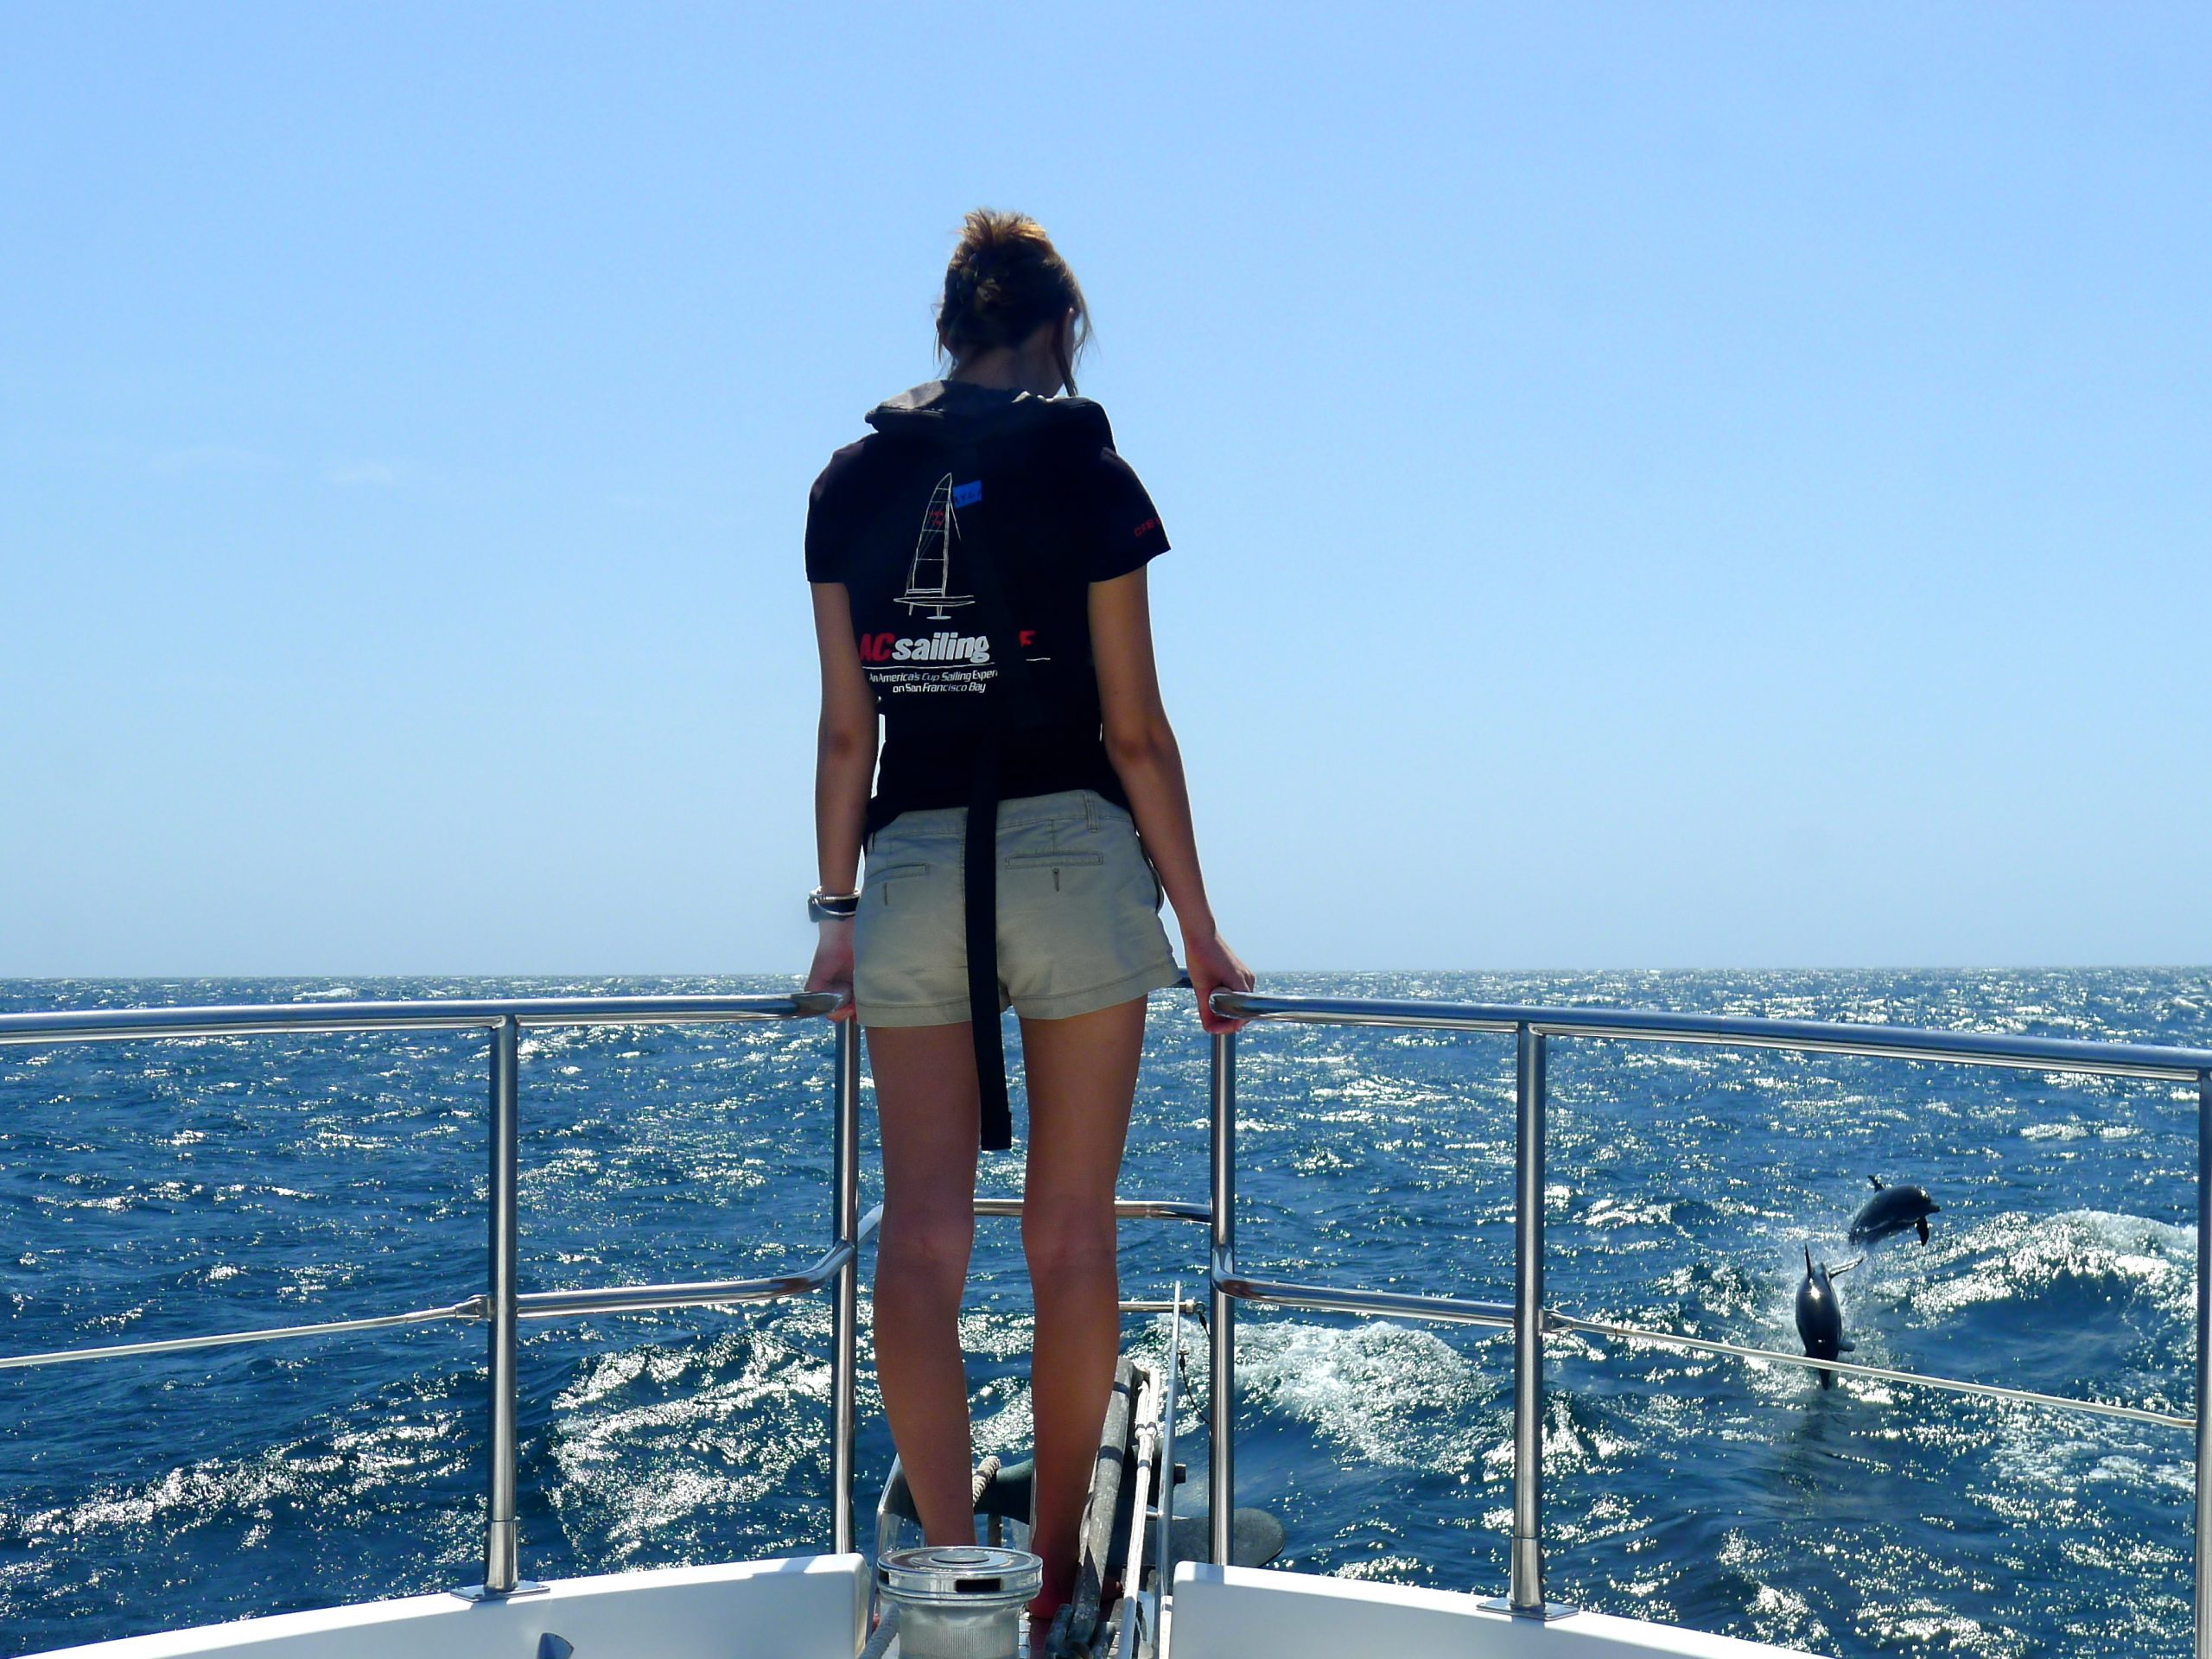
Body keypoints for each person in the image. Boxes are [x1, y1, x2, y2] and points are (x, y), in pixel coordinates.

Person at [801, 208, 1251, 1627]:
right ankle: (1053, 1579)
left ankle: (950, 1570)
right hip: (1069, 860)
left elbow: (841, 734)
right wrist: (1203, 929)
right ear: (1056, 331)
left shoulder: (849, 484)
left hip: (914, 873)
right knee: (1070, 1236)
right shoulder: (1088, 467)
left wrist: (835, 919)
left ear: (947, 332)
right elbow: (1136, 732)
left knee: (922, 1237)